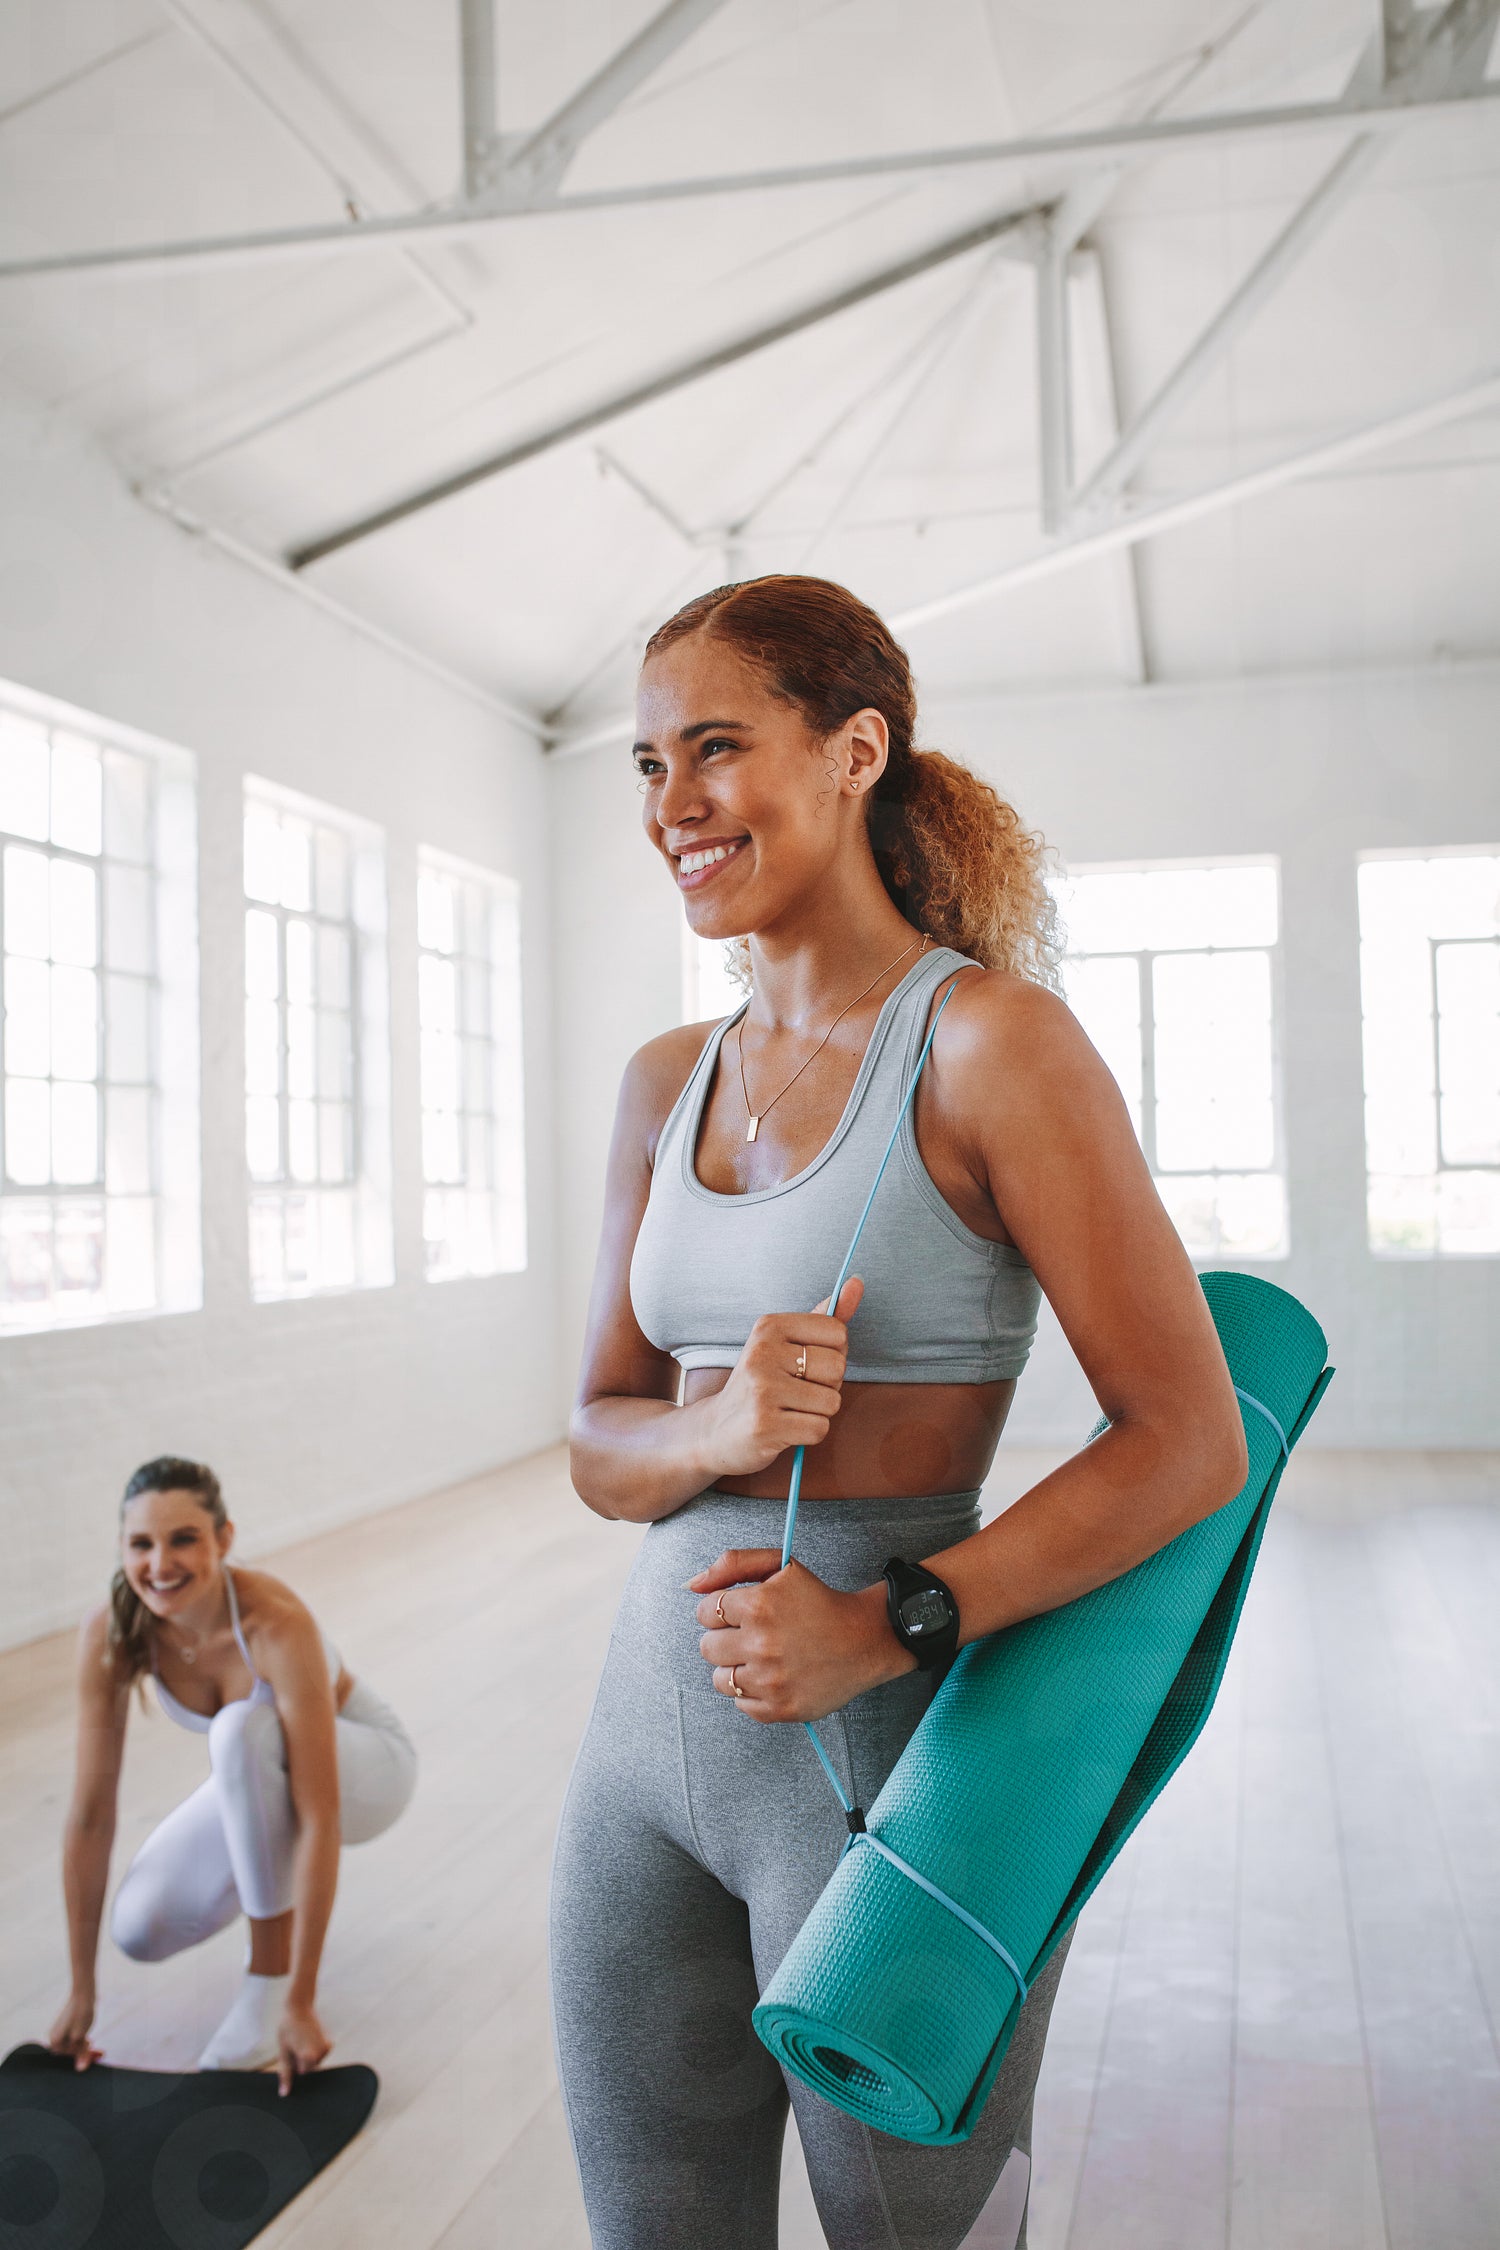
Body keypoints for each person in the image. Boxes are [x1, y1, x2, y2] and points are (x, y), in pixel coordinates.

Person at [551, 575, 1248, 2249]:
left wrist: (890, 1623)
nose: (672, 803)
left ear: (855, 749)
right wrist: (717, 1435)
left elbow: (1187, 1438)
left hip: (888, 1759)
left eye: (716, 747)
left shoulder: (991, 1046)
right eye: (647, 763)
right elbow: (597, 1438)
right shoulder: (665, 1080)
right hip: (643, 1754)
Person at [48, 1456, 416, 2092]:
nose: (160, 1565)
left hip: (369, 1770)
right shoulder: (112, 1630)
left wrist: (301, 2000)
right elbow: (90, 1815)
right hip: (259, 1769)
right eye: (141, 1544)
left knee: (241, 1729)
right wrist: (82, 1991)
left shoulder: (274, 1621)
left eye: (183, 1539)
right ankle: (269, 1919)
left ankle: (269, 1981)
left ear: (224, 1538)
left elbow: (320, 1816)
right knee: (141, 1927)